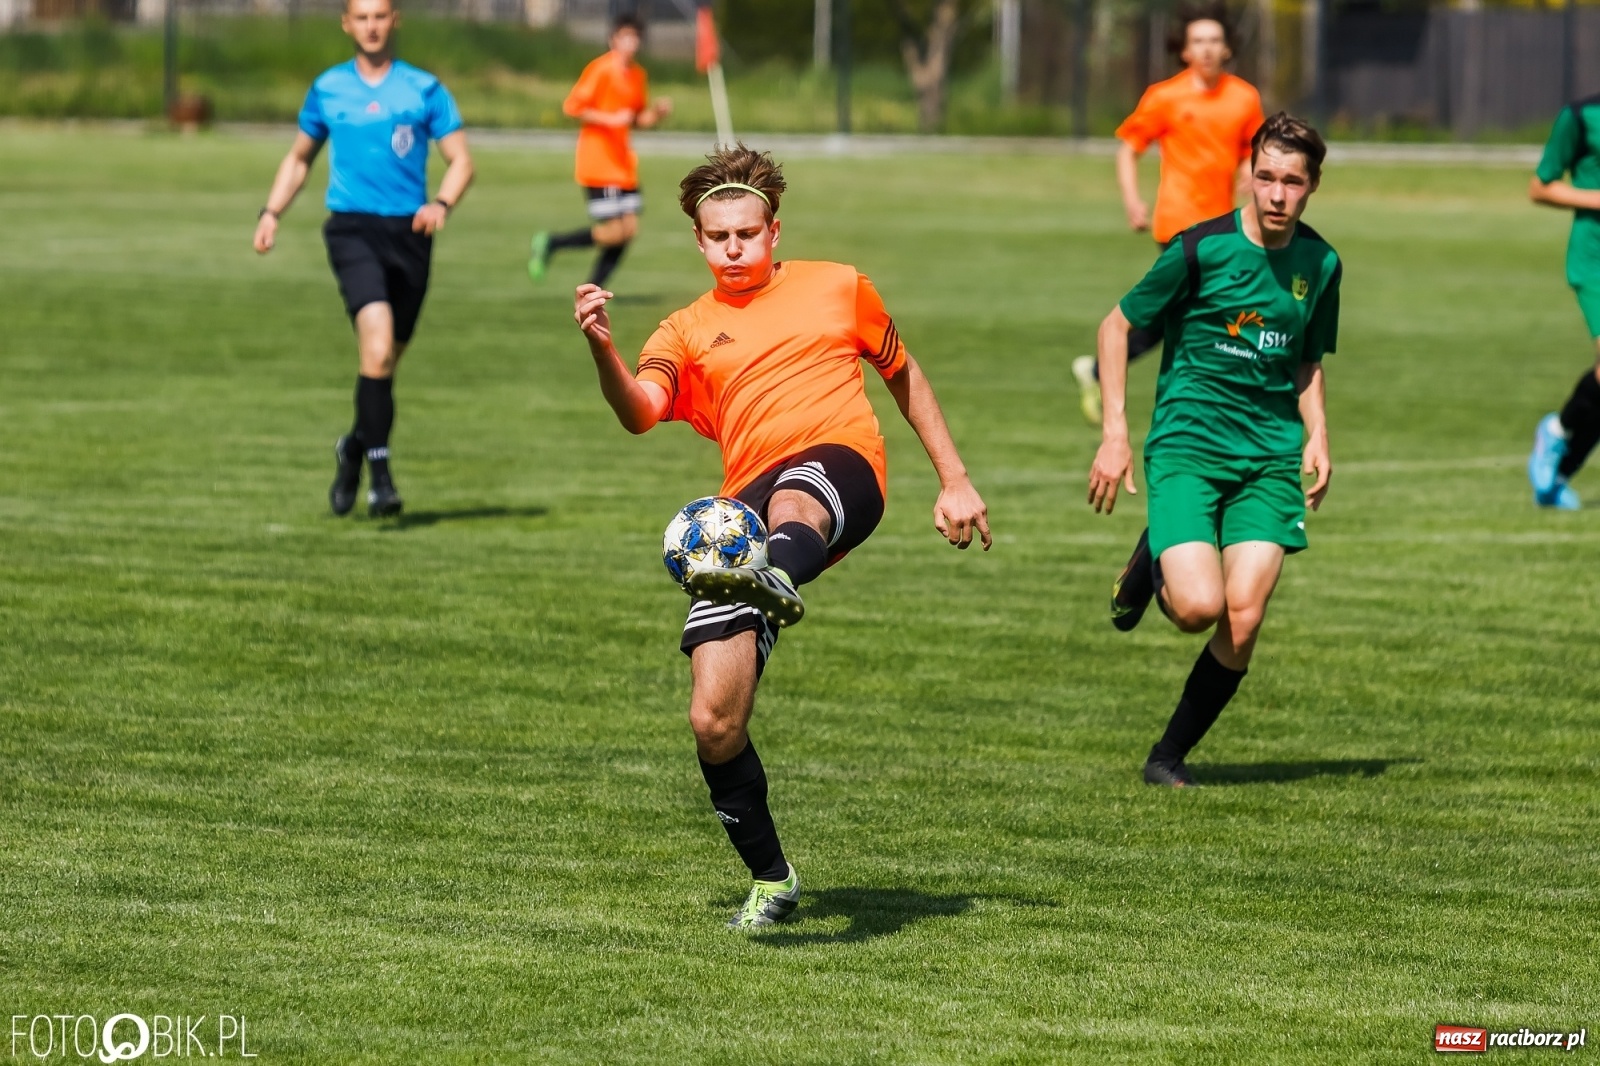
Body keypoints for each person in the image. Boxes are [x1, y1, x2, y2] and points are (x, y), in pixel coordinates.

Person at [572, 146, 991, 928]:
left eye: (747, 233)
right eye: (718, 237)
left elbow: (902, 372)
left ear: (774, 230)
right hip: (742, 510)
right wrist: (602, 345)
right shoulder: (685, 328)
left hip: (842, 465)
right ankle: (773, 877)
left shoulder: (840, 285)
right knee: (713, 717)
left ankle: (776, 576)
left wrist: (954, 477)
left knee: (799, 500)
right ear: (698, 242)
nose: (733, 249)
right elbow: (639, 409)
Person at [1087, 113, 1340, 788]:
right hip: (1188, 448)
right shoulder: (1200, 249)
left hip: (1267, 459)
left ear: (1313, 185)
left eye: (1292, 181)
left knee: (1244, 615)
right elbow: (1117, 327)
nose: (1276, 194)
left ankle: (1166, 757)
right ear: (1246, 176)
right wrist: (1115, 434)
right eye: (1265, 177)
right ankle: (1155, 559)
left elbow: (1307, 359)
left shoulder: (1320, 263)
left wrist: (1318, 431)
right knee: (1198, 609)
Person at [253, 0, 472, 517]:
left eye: (380, 16)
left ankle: (352, 447)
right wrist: (271, 212)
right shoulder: (328, 88)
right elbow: (299, 157)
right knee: (374, 351)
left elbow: (460, 159)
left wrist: (441, 203)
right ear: (346, 24)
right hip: (351, 230)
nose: (371, 26)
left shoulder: (424, 88)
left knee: (384, 365)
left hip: (411, 233)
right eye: (362, 17)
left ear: (394, 20)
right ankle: (381, 477)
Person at [1072, 3, 1264, 425]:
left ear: (1227, 49)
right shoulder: (1166, 97)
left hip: (1223, 224)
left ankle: (1100, 370)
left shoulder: (1244, 98)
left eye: (1215, 40)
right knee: (1213, 309)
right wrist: (1131, 200)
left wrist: (1251, 171)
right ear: (1185, 51)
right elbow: (1128, 148)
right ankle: (1210, 403)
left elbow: (1253, 148)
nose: (1208, 49)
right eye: (1199, 41)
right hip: (1177, 222)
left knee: (1176, 316)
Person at [528, 14, 672, 289]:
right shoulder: (601, 69)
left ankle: (594, 288)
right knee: (615, 232)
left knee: (628, 231)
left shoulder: (638, 75)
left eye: (635, 37)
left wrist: (656, 114)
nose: (631, 43)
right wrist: (609, 118)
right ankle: (553, 243)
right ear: (613, 40)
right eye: (625, 37)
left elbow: (637, 119)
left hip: (623, 163)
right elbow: (573, 106)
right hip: (599, 161)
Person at [1526, 93, 1600, 511]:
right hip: (1595, 260)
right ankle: (1555, 433)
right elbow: (1540, 186)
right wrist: (1596, 198)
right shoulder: (1580, 116)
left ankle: (1559, 468)